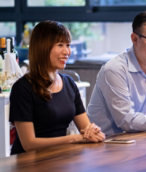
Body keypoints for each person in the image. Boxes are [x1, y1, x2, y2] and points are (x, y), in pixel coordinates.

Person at [9, 20, 105, 155]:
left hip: (59, 158)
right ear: (43, 48)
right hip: (29, 163)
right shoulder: (22, 88)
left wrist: (94, 132)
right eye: (60, 45)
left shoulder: (69, 84)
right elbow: (29, 144)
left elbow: (86, 128)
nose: (67, 51)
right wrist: (74, 138)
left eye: (68, 45)